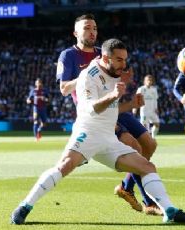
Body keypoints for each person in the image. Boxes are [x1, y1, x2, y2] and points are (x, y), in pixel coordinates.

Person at [11, 38, 185, 225]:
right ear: (105, 58)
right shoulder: (88, 76)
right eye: (119, 60)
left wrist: (130, 103)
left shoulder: (115, 73)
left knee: (147, 167)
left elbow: (113, 110)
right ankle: (25, 206)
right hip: (88, 132)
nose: (124, 64)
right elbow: (91, 108)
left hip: (109, 138)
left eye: (125, 59)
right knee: (64, 166)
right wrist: (113, 95)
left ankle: (169, 211)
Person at [56, 14, 161, 216]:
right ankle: (149, 202)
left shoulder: (102, 52)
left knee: (150, 144)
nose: (92, 31)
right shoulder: (68, 55)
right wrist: (89, 74)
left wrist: (125, 79)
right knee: (133, 145)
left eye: (94, 28)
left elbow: (116, 76)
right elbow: (64, 89)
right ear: (76, 32)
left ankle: (126, 187)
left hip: (116, 106)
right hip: (98, 111)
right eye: (87, 28)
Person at [134, 74, 160, 139]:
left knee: (157, 124)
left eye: (151, 80)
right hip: (144, 111)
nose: (149, 82)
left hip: (152, 111)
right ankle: (147, 139)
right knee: (145, 127)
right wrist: (135, 109)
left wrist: (156, 108)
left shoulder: (154, 89)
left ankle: (153, 137)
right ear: (144, 81)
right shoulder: (141, 89)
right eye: (148, 80)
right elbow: (136, 99)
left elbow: (155, 100)